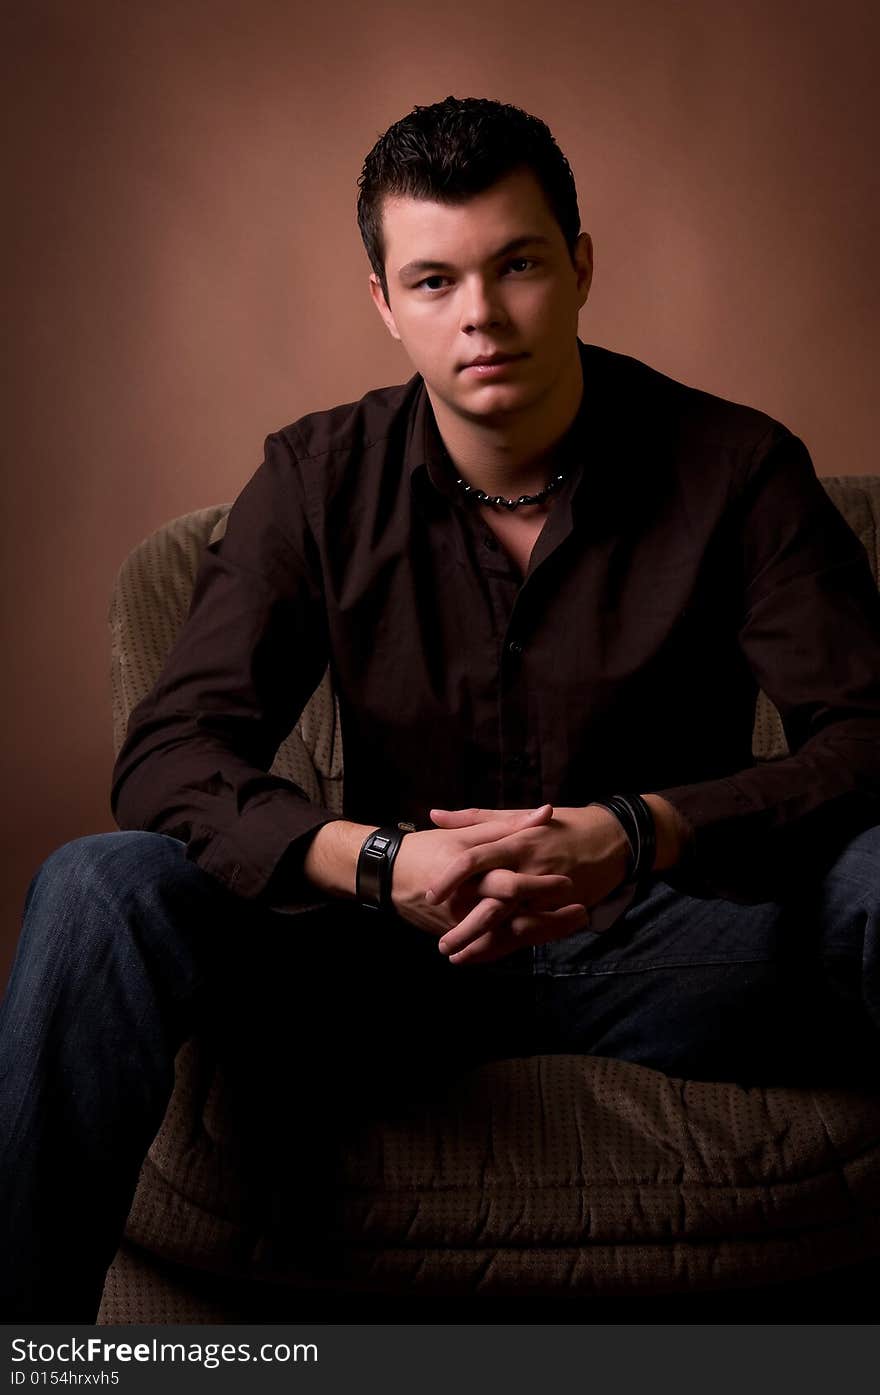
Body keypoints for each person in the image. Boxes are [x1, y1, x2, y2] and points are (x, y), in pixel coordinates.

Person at [3, 95, 880, 1322]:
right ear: (384, 301)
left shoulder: (734, 470)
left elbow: (865, 735)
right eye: (432, 280)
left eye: (517, 264)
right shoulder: (314, 479)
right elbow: (172, 755)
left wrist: (644, 831)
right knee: (101, 884)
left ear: (577, 266)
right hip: (383, 960)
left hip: (673, 943)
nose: (480, 315)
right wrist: (370, 862)